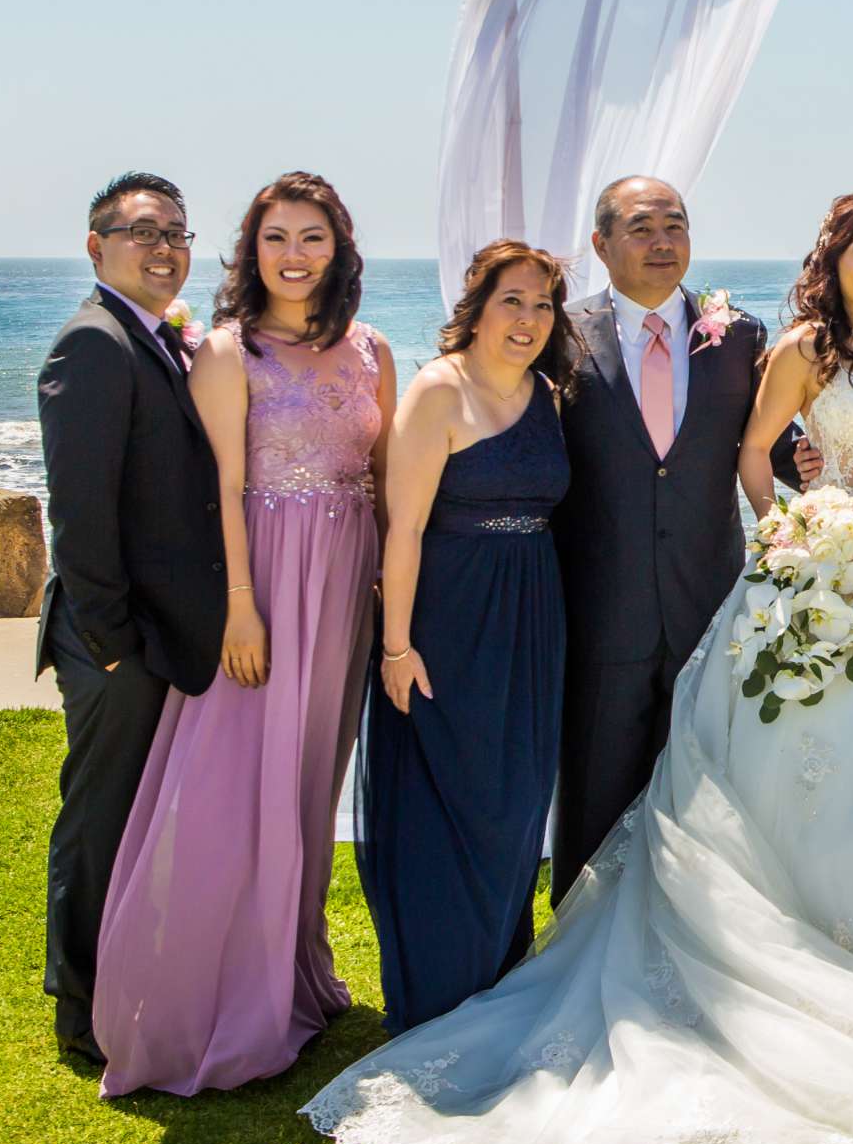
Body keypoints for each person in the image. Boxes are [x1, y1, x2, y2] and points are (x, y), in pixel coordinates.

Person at [303, 192, 853, 1144]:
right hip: (744, 577)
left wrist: (832, 500)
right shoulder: (629, 343)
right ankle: (560, 944)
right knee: (709, 774)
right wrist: (797, 530)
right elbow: (758, 452)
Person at [93, 173, 393, 1095]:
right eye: (276, 238)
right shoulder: (228, 352)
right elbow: (221, 487)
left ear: (338, 249)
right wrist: (239, 605)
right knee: (232, 783)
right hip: (261, 574)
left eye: (312, 237)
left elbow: (389, 477)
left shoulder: (373, 350)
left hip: (346, 581)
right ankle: (211, 998)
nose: (294, 255)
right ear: (249, 251)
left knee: (309, 782)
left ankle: (295, 973)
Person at [548, 176, 802, 901]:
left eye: (676, 225)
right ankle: (582, 939)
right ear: (601, 244)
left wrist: (803, 461)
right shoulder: (560, 334)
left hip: (705, 601)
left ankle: (693, 934)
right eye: (641, 227)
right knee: (595, 795)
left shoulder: (738, 334)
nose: (663, 242)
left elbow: (765, 437)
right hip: (601, 604)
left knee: (701, 792)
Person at [358, 240, 575, 1035]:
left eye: (542, 305)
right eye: (512, 301)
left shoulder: (552, 394)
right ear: (476, 308)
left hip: (532, 616)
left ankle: (500, 970)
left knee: (514, 795)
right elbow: (403, 528)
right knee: (443, 792)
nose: (528, 320)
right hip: (448, 617)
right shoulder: (436, 391)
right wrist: (396, 645)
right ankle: (438, 984)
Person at [34, 172, 224, 1063]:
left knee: (139, 817)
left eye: (178, 233)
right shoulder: (94, 344)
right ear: (96, 245)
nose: (164, 248)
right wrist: (110, 644)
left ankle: (125, 982)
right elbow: (77, 511)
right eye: (142, 232)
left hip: (153, 635)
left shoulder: (157, 336)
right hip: (115, 643)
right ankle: (79, 1007)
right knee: (102, 817)